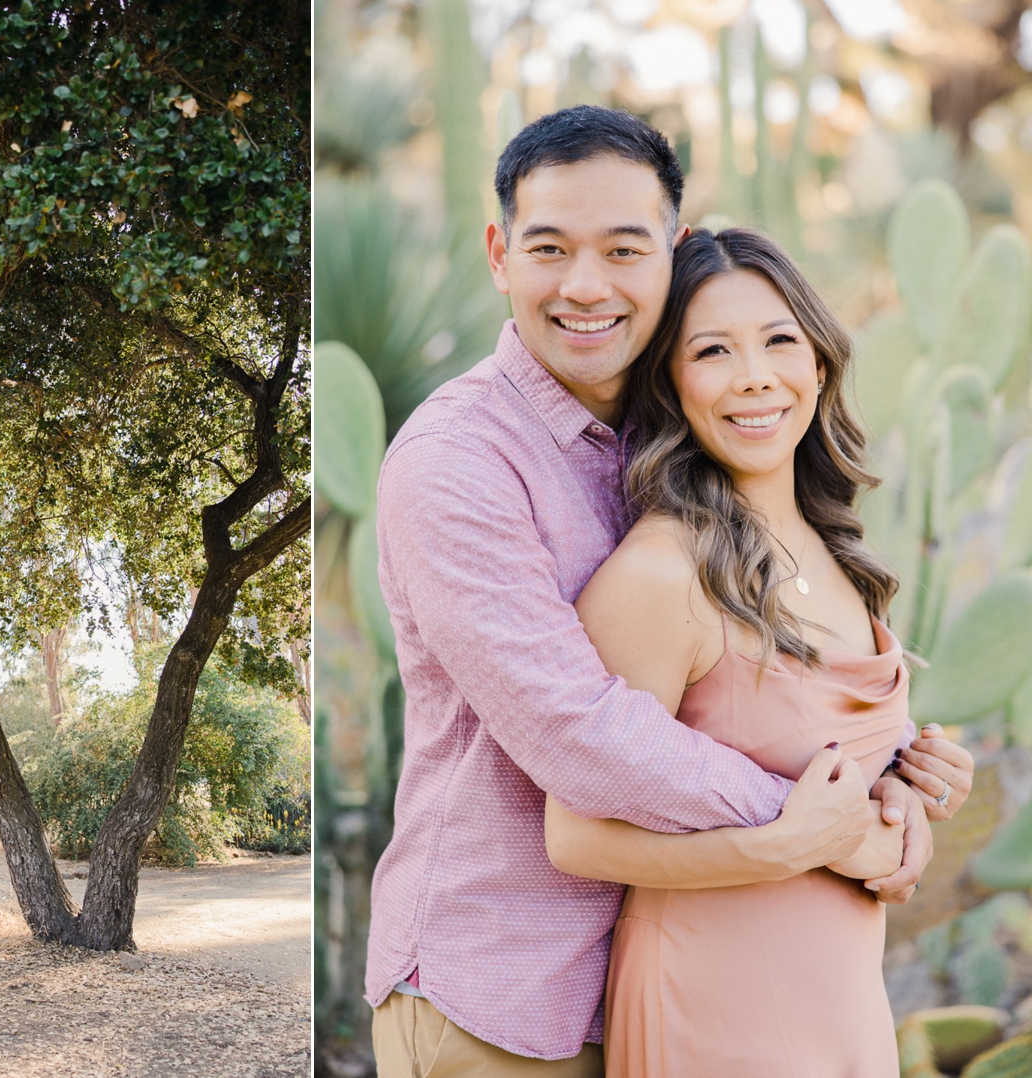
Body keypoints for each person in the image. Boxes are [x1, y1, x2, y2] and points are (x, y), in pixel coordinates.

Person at [365, 105, 975, 1076]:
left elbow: (737, 688)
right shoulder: (457, 464)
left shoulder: (676, 442)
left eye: (623, 248)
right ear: (498, 253)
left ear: (673, 252)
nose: (585, 285)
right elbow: (582, 733)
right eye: (550, 248)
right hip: (500, 998)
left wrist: (897, 769)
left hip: (661, 976)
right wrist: (824, 822)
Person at [541, 225, 938, 1074]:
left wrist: (909, 794)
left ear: (819, 365)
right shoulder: (660, 575)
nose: (755, 374)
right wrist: (788, 847)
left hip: (843, 1006)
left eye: (779, 340)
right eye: (713, 350)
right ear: (672, 383)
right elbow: (577, 837)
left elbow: (827, 757)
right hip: (712, 1010)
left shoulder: (838, 556)